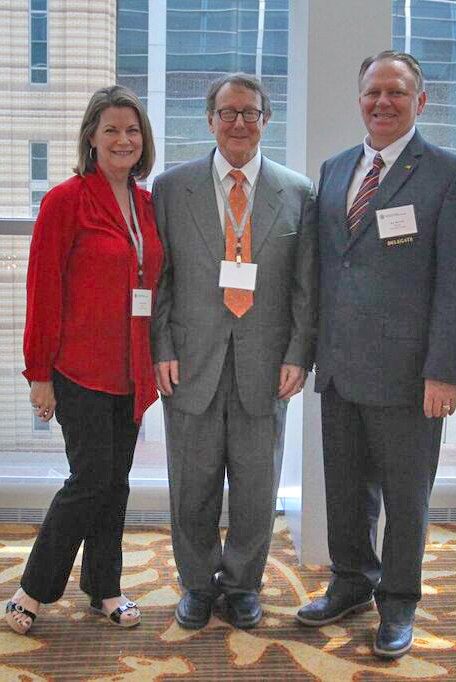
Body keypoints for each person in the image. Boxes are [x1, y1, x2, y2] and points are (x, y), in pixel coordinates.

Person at [296, 51, 456, 659]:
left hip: (410, 379)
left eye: (396, 93)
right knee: (345, 490)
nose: (383, 102)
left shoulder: (451, 178)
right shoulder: (335, 169)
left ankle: (398, 601)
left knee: (407, 499)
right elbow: (327, 268)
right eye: (373, 92)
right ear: (360, 100)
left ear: (420, 102)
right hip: (341, 367)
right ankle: (351, 581)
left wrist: (444, 371)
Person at [151, 73, 317, 630]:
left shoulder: (296, 192)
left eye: (250, 113)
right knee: (192, 485)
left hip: (266, 365)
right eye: (228, 113)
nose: (239, 123)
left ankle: (243, 585)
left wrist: (298, 352)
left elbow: (304, 286)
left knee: (255, 487)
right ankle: (198, 586)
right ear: (210, 120)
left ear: (267, 120)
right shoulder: (173, 189)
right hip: (190, 361)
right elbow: (160, 279)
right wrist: (161, 347)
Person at [5, 85, 162, 635]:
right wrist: (38, 373)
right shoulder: (66, 200)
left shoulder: (147, 204)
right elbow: (42, 289)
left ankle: (105, 588)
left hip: (131, 371)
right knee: (90, 479)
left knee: (115, 482)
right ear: (91, 137)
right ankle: (33, 588)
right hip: (78, 370)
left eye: (133, 130)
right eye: (112, 129)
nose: (124, 139)